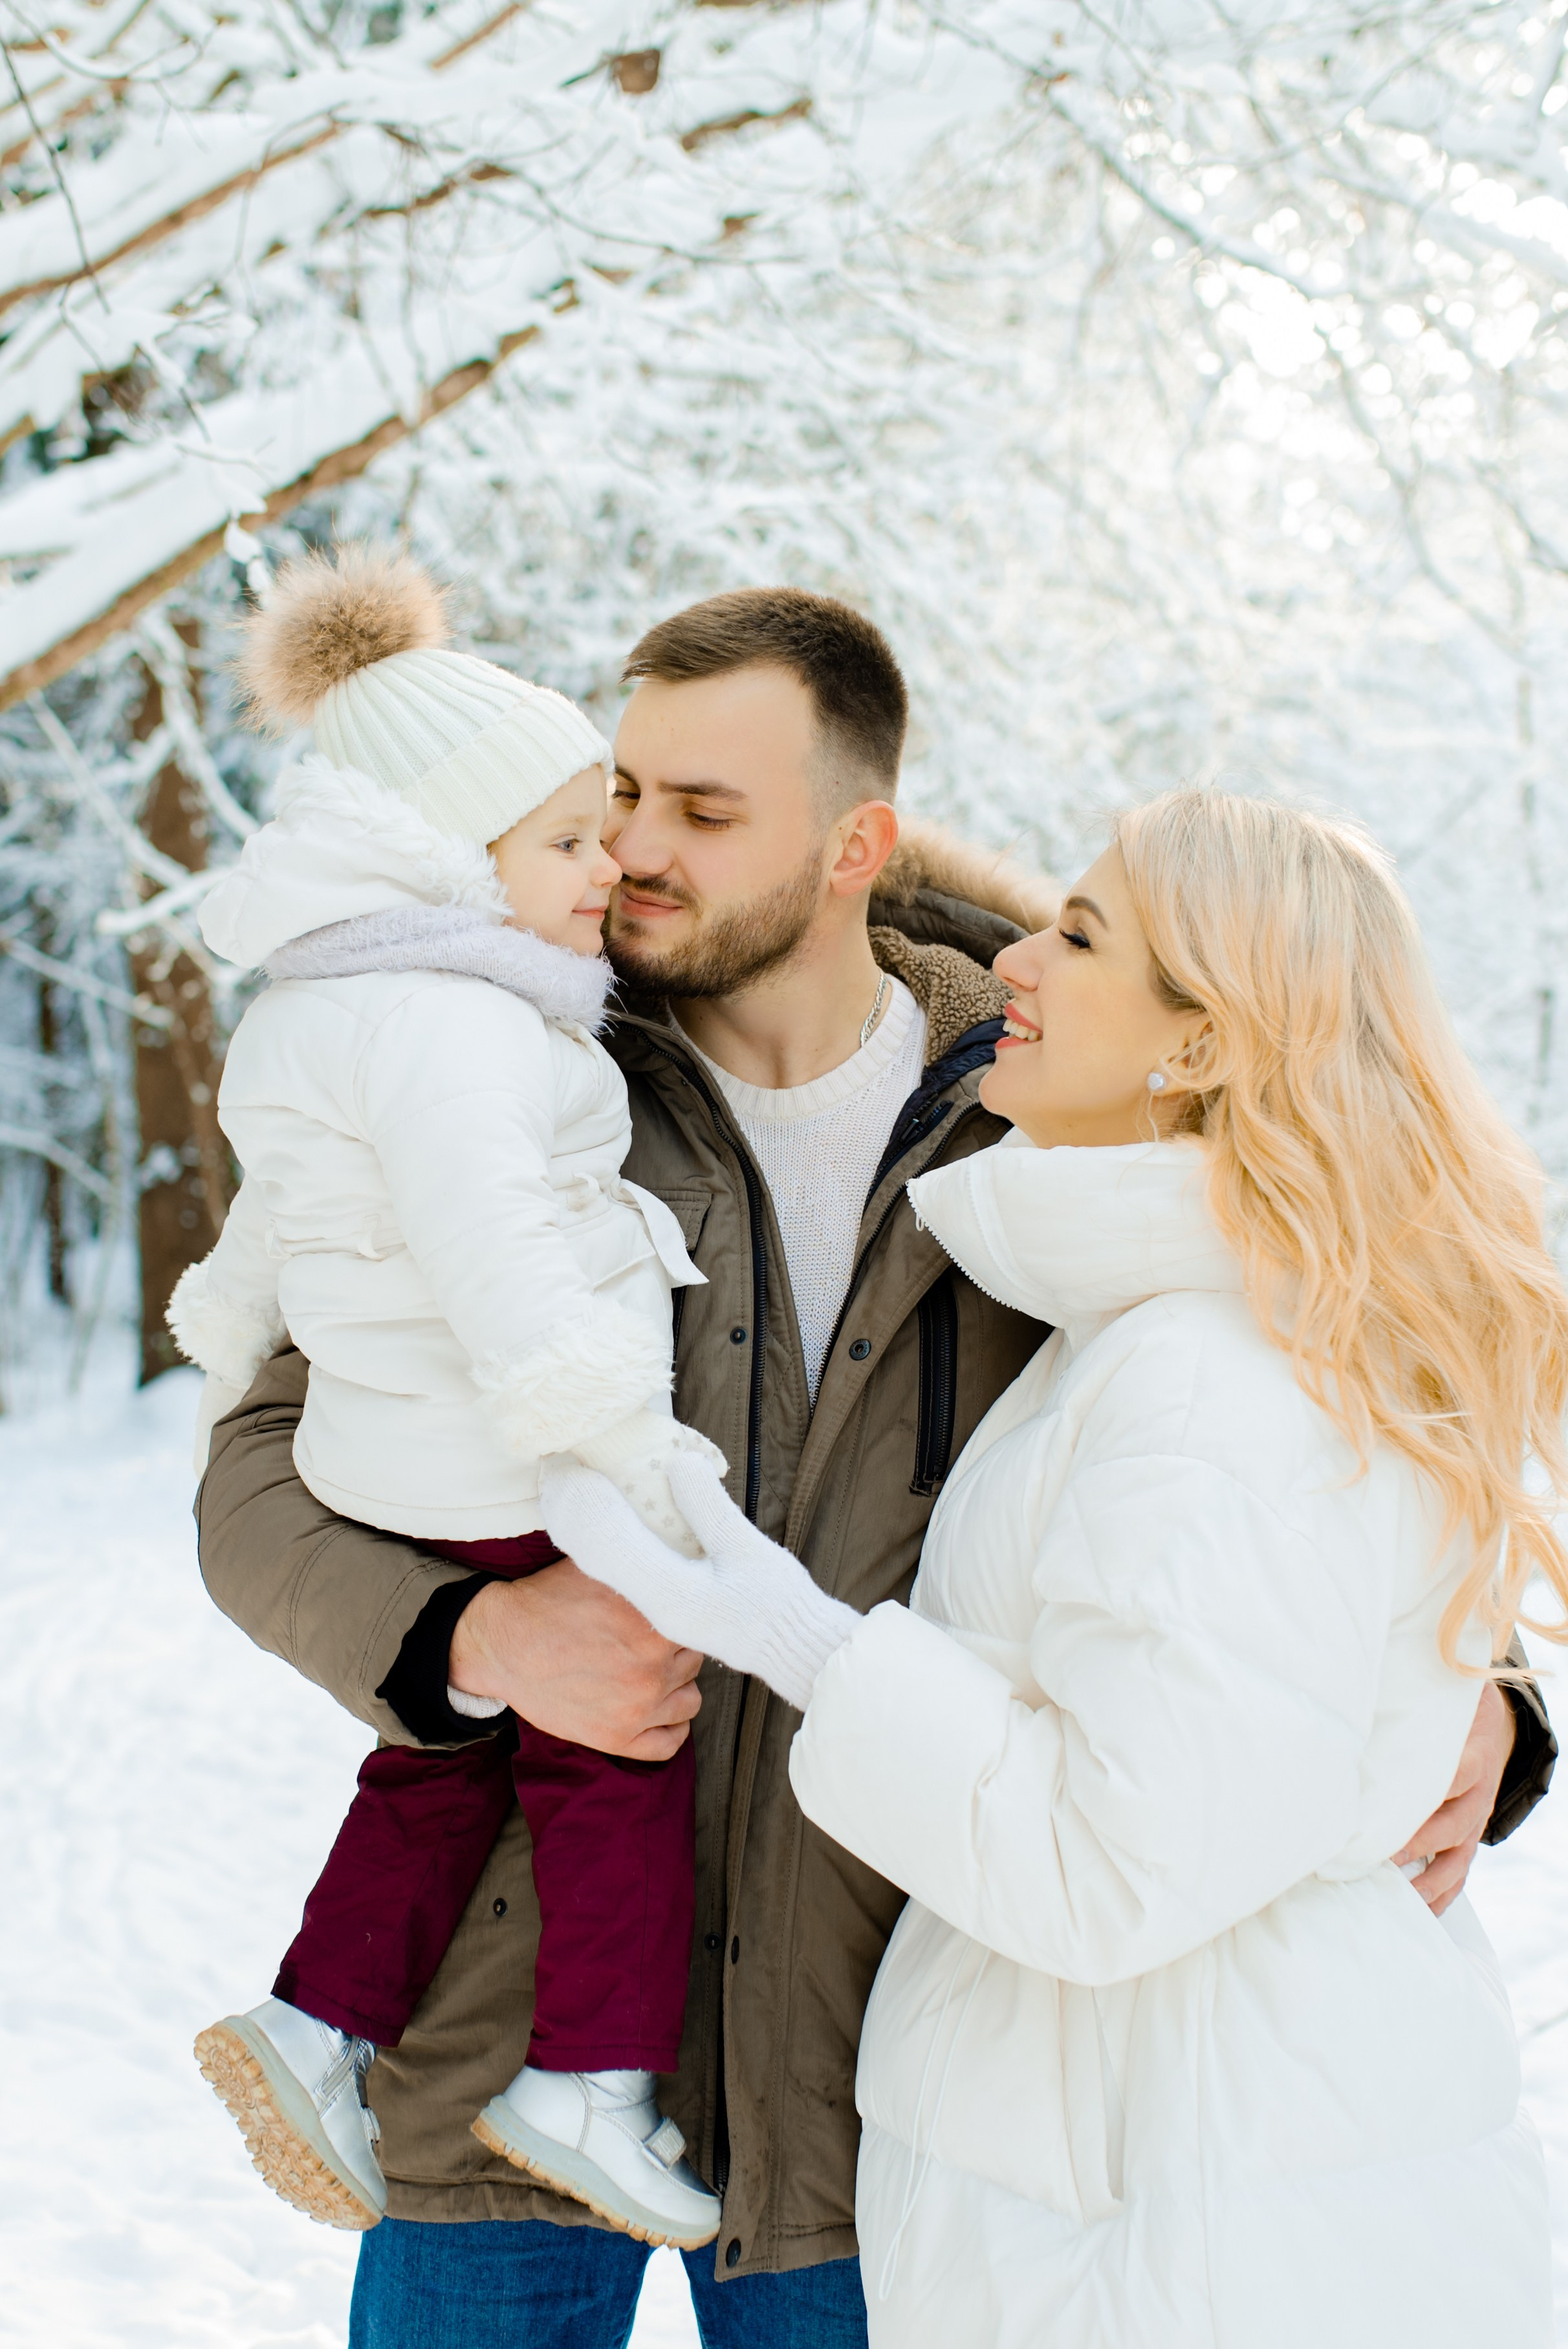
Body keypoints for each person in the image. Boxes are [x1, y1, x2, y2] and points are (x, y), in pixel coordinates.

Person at [193, 597, 1554, 2349]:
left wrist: (1486, 1691)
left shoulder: (1056, 1126)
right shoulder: (495, 1061)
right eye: (619, 797)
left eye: (703, 813)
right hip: (505, 2041)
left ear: (859, 845)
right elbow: (256, 1462)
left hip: (874, 2094)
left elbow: (1333, 1353)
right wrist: (469, 1638)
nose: (631, 851)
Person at [546, 788, 1565, 2346]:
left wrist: (815, 1648)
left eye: (1081, 936)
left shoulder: (1205, 1384)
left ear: (1204, 1042)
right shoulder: (1166, 1338)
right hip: (1160, 2167)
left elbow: (1117, 1865)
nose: (1013, 958)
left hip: (1192, 2221)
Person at [171, 545, 725, 2247]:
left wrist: (220, 1319)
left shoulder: (315, 1011)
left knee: (442, 1762)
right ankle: (585, 2081)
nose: (610, 866)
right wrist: (606, 1429)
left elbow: (273, 1218)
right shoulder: (465, 1030)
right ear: (440, 858)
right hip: (504, 1455)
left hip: (391, 1454)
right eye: (567, 839)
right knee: (614, 1755)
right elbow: (495, 1247)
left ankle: (315, 2019)